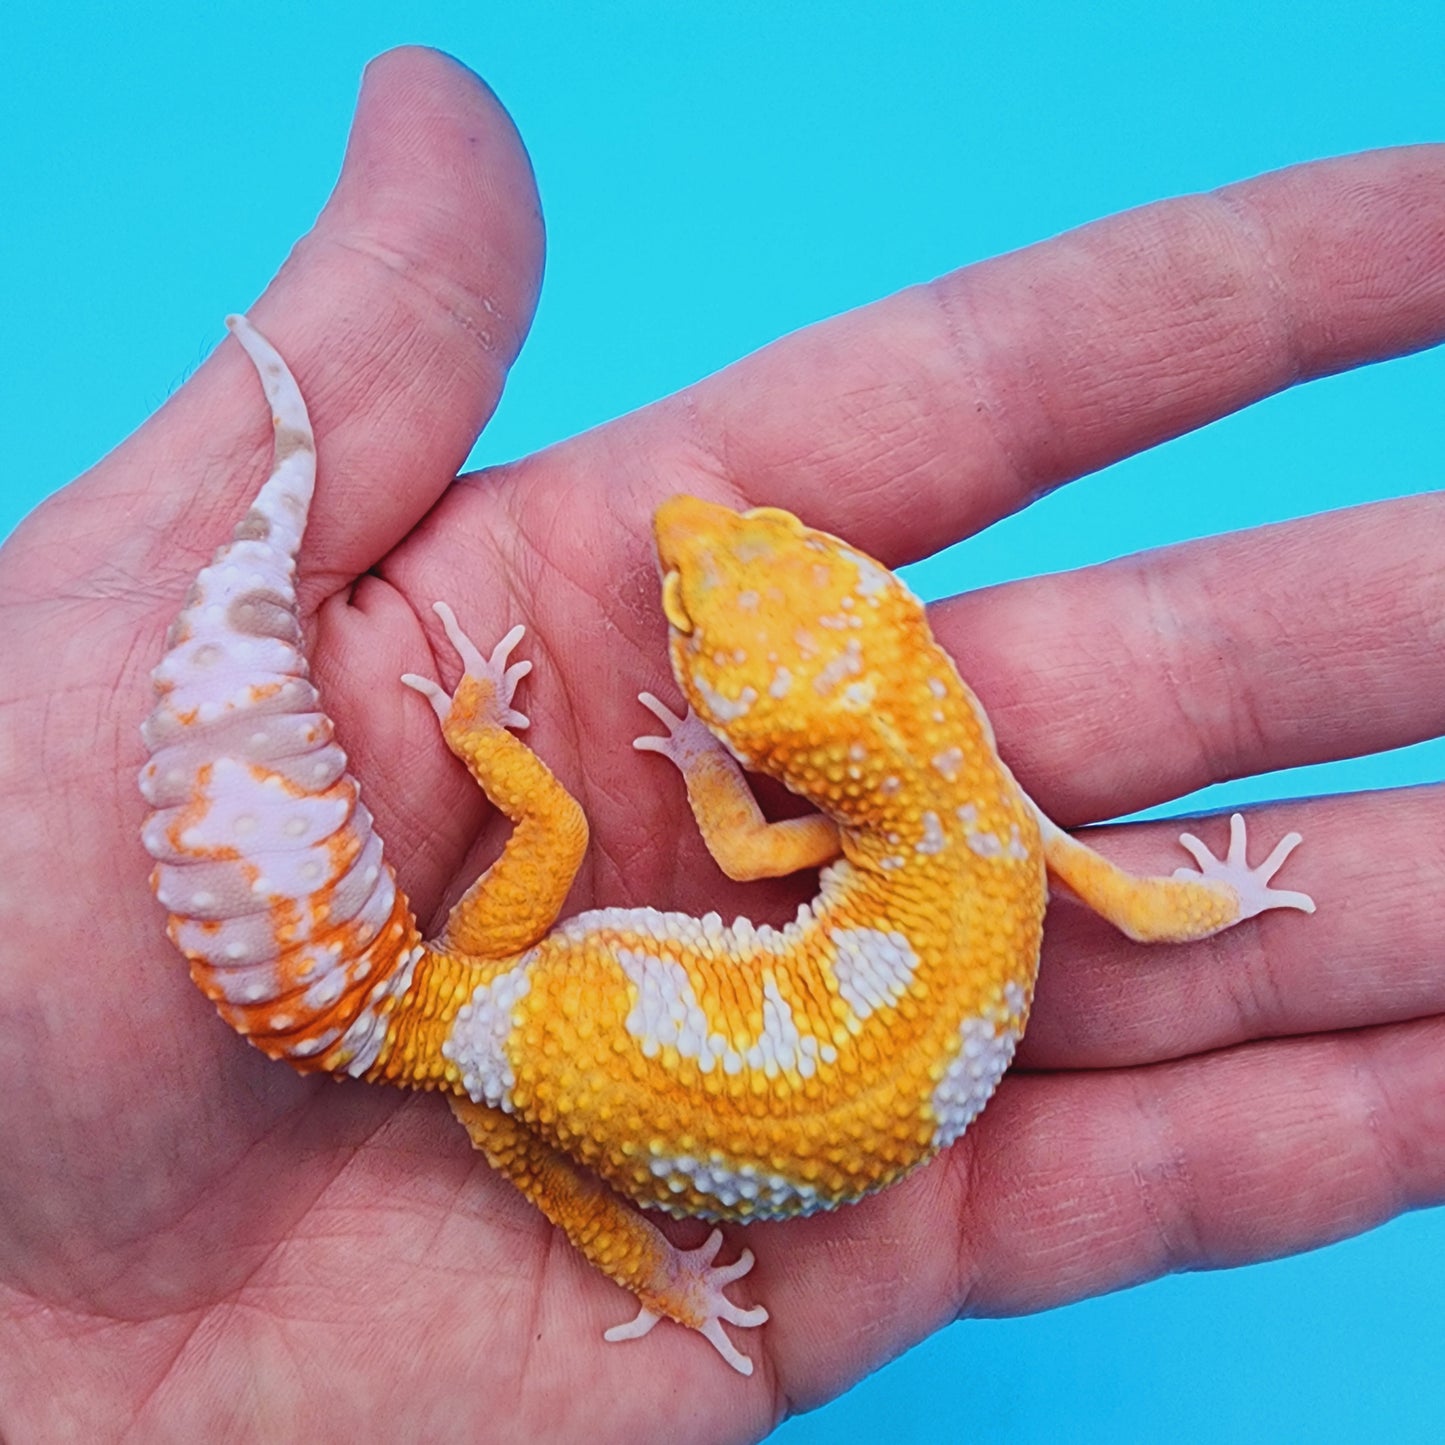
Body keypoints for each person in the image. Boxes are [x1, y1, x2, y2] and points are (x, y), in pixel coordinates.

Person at [0, 44, 1440, 1441]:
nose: (685, 539)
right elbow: (1134, 903)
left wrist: (655, 751)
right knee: (559, 969)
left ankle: (476, 756)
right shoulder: (992, 823)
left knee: (551, 829)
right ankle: (664, 1266)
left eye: (696, 607)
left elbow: (752, 843)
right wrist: (1234, 900)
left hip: (511, 1022)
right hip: (530, 1051)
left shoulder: (885, 842)